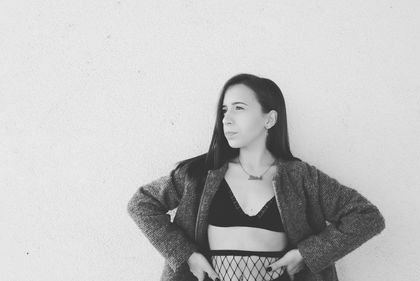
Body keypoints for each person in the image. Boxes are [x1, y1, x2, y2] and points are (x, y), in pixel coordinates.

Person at [127, 73, 385, 281]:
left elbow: (366, 217)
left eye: (239, 108)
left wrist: (306, 255)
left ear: (269, 119)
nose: (226, 119)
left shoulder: (302, 178)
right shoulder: (197, 175)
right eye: (224, 110)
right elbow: (141, 204)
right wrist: (186, 256)